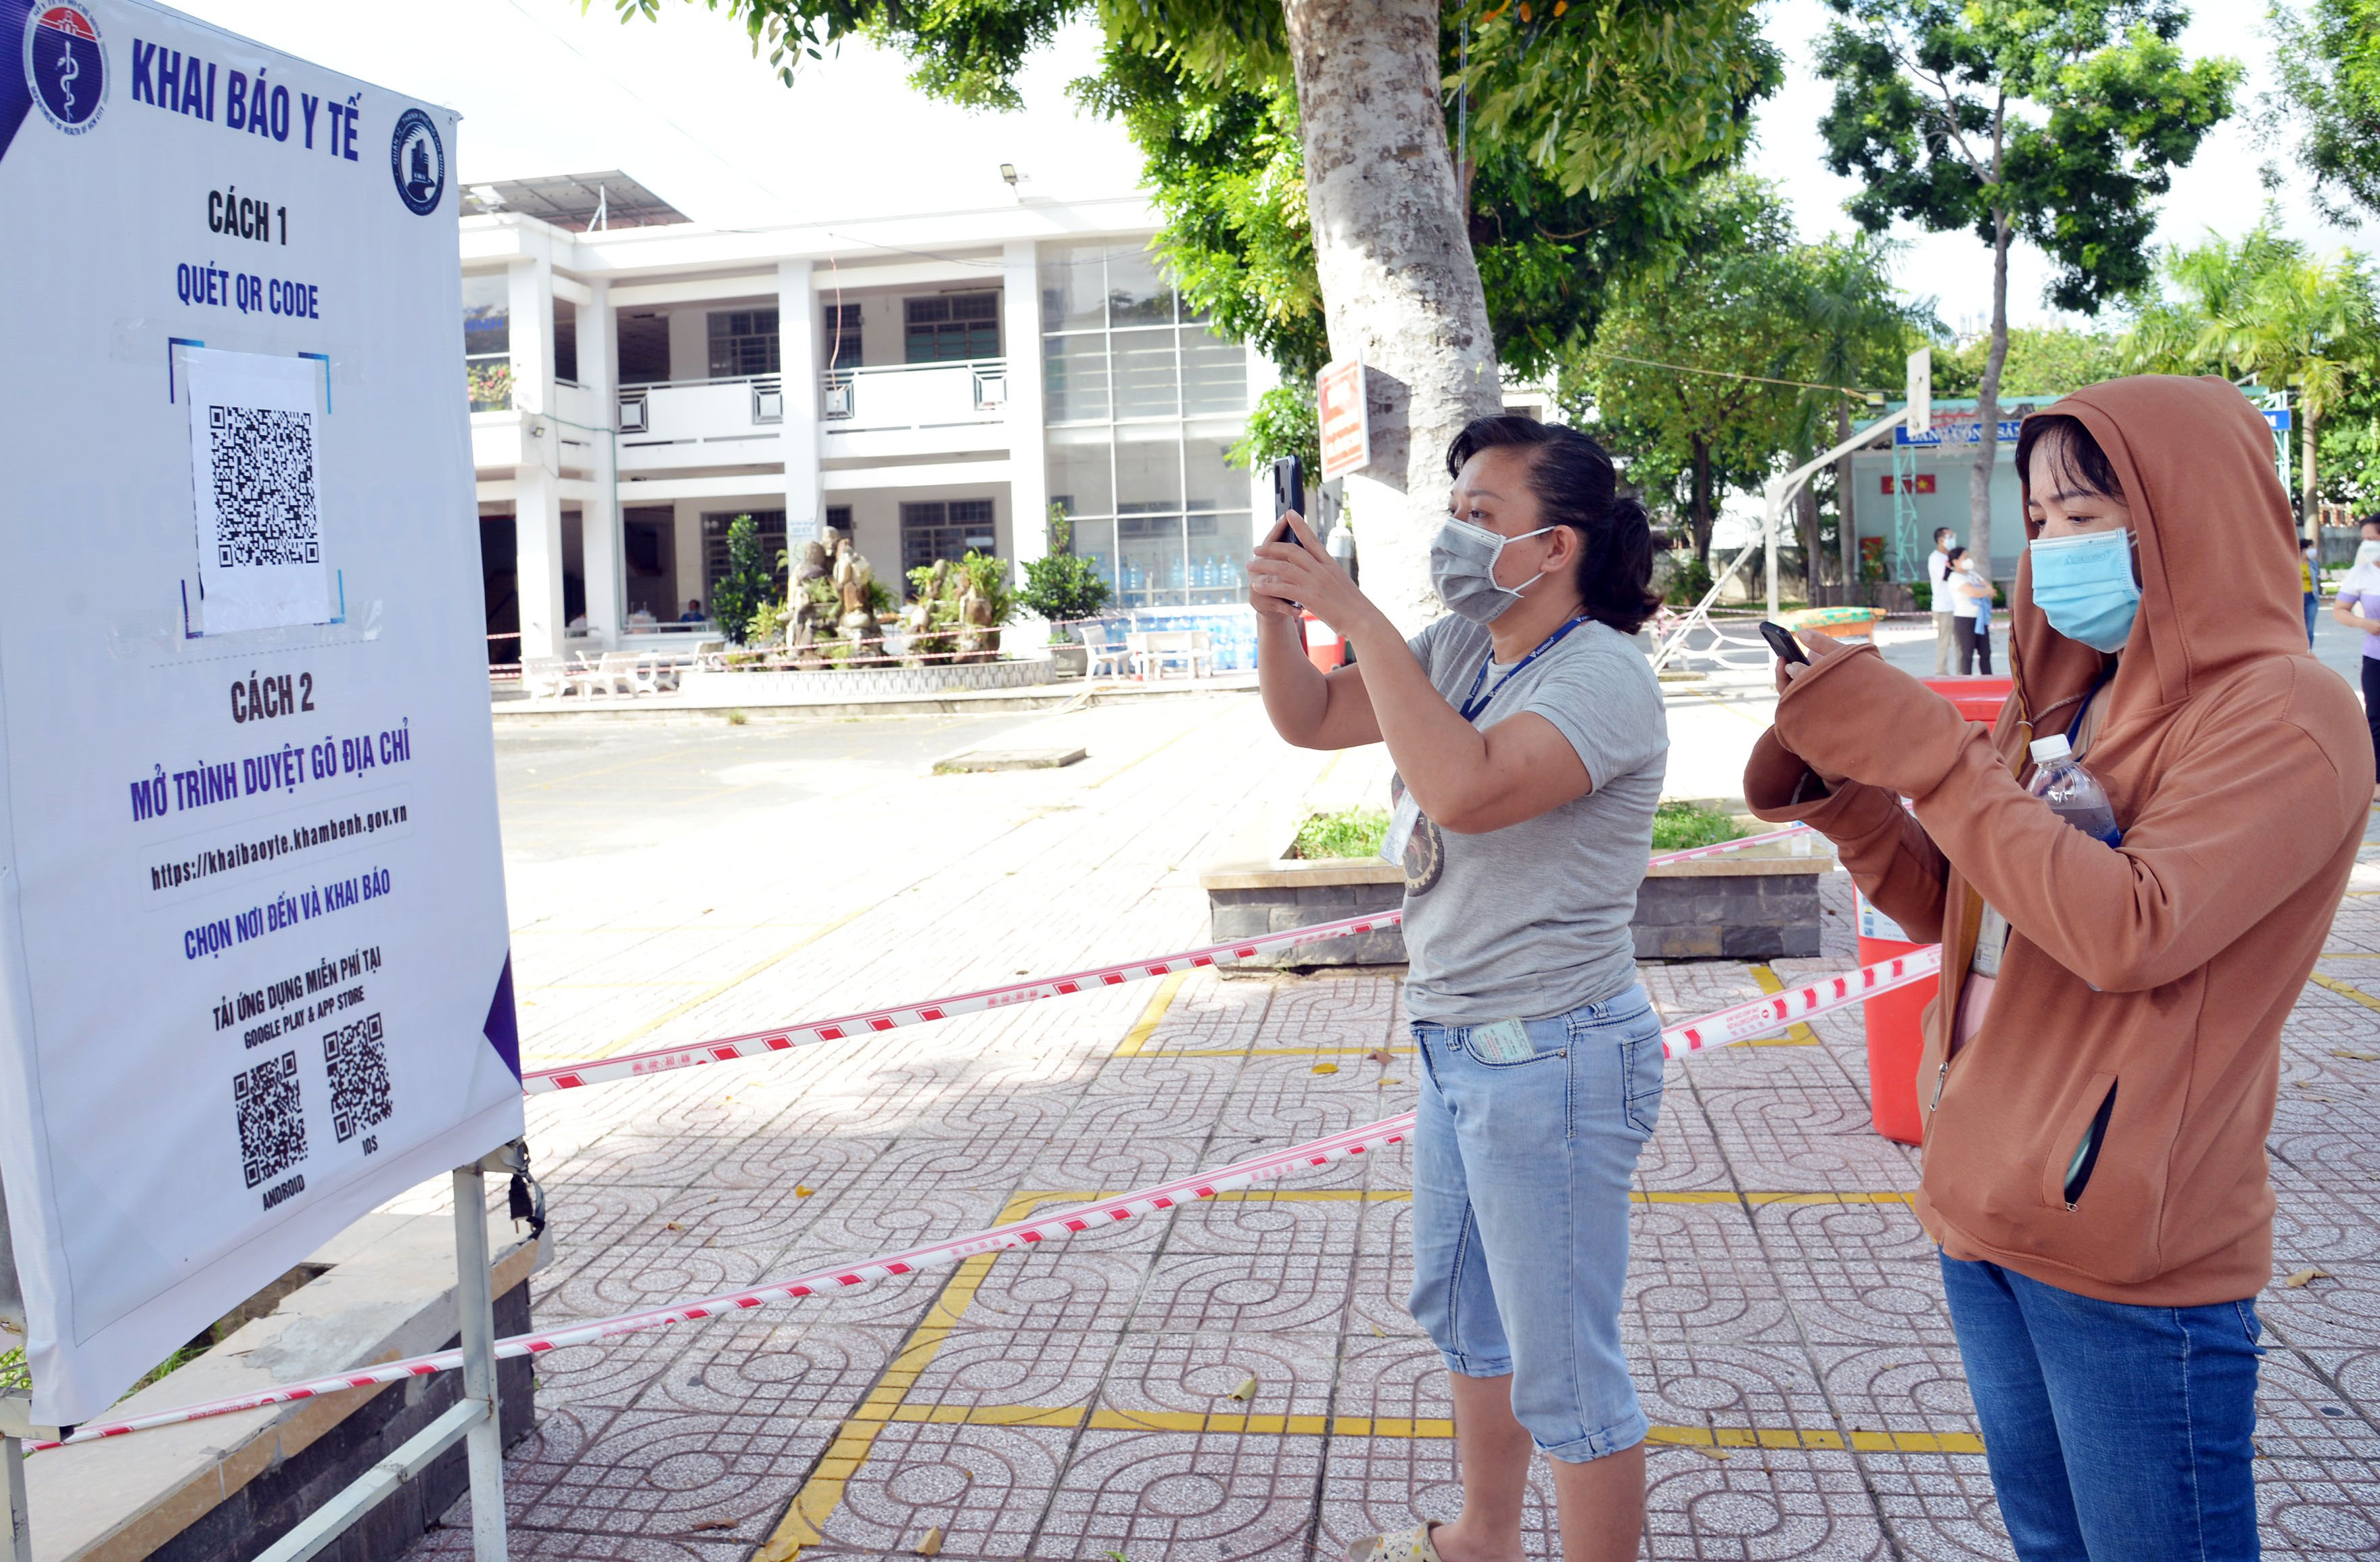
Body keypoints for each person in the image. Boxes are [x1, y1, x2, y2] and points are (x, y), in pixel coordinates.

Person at [1746, 376, 2370, 1562]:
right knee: (2049, 1544)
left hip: (2127, 1254)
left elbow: (2126, 928)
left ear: (2190, 514)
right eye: (2035, 524)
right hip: (1981, 1203)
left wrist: (1933, 757)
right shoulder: (2065, 709)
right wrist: (1854, 800)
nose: (2050, 550)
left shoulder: (2286, 713)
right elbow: (1967, 914)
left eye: (2084, 516)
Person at [1249, 416, 1666, 1562]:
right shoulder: (1455, 646)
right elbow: (1310, 717)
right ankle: (1484, 1535)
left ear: (1555, 545)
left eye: (1479, 515)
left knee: (1565, 1369)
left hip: (1556, 1055)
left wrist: (1357, 617)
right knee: (1468, 1320)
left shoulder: (1604, 676)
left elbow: (1465, 788)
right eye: (1454, 510)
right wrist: (1280, 619)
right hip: (1457, 1046)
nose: (1453, 535)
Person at [2331, 514, 2380, 799]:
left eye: (2374, 540)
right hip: (2375, 657)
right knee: (2376, 716)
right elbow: (2340, 610)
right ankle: (2377, 780)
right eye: (2365, 541)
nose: (2368, 546)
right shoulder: (2361, 573)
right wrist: (2365, 624)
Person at [1944, 544, 1994, 675]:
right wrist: (1985, 590)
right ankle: (1966, 680)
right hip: (1965, 618)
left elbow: (1991, 591)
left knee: (1986, 653)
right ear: (1956, 561)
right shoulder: (1955, 577)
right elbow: (1973, 593)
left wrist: (1985, 590)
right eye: (1965, 557)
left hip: (1980, 618)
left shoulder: (1973, 574)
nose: (1969, 560)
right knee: (1967, 653)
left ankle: (1988, 679)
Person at [1927, 525, 1958, 675]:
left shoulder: (1948, 557)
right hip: (1943, 607)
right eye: (1949, 537)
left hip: (1957, 605)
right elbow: (1945, 577)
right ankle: (1941, 672)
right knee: (1944, 642)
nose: (1953, 540)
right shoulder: (1936, 558)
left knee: (1960, 643)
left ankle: (1962, 672)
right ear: (1941, 540)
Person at [2301, 535, 2321, 648]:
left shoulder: (2313, 564)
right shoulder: (2294, 563)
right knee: (2300, 627)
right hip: (2298, 599)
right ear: (2304, 549)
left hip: (2312, 598)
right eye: (2311, 548)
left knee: (2310, 629)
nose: (2313, 550)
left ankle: (2309, 651)